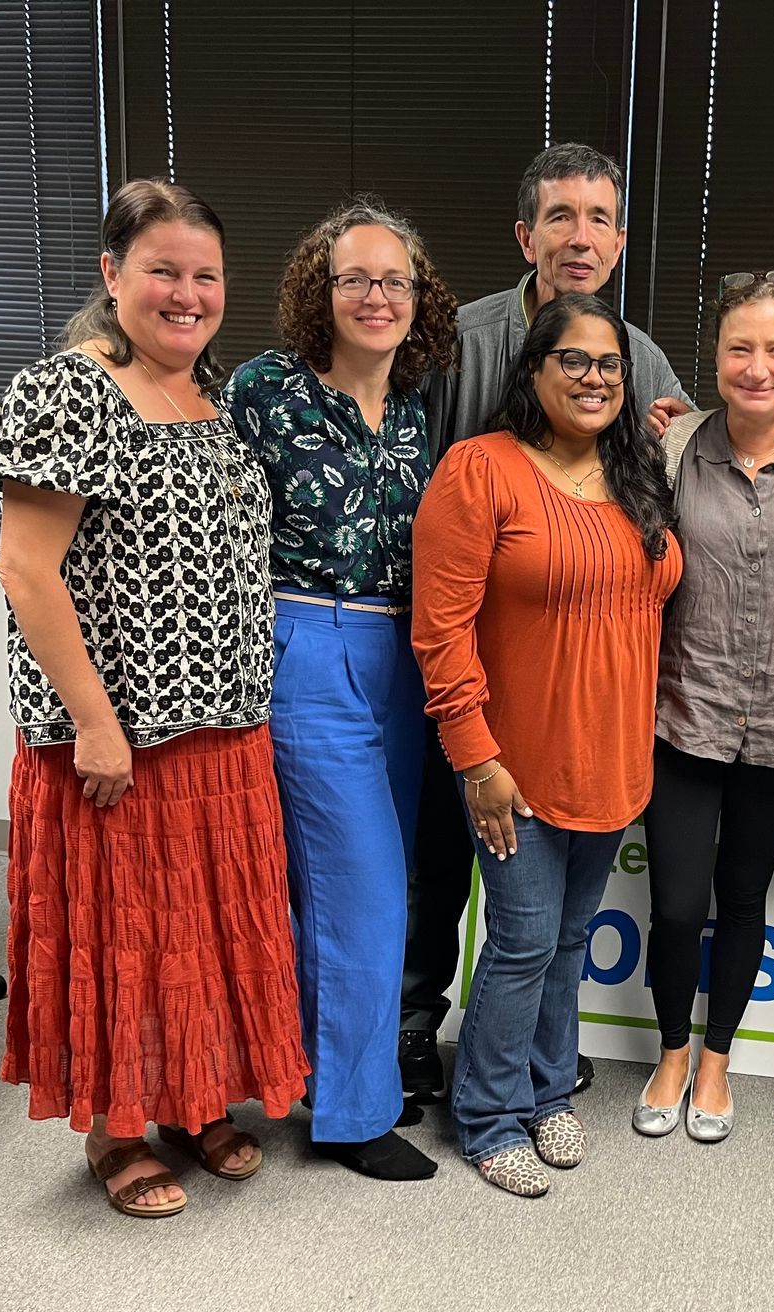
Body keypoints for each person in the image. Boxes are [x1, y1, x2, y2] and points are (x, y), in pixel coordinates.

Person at [0, 179, 308, 1219]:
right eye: (163, 271)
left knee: (193, 934)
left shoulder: (208, 398)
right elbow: (27, 570)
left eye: (204, 277)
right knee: (127, 930)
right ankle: (117, 1133)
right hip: (121, 739)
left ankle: (194, 1102)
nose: (187, 294)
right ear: (113, 276)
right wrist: (97, 722)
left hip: (219, 731)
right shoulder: (74, 390)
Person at [400, 141, 691, 1103]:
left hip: (571, 682)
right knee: (436, 866)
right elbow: (412, 467)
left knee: (549, 923)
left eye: (600, 217)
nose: (581, 236)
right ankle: (415, 1034)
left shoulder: (636, 351)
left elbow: (666, 477)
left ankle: (535, 1067)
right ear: (525, 234)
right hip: (460, 656)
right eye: (560, 216)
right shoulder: (455, 338)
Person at [223, 199, 459, 1182]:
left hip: (401, 653)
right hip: (303, 641)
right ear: (320, 293)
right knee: (359, 891)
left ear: (418, 299)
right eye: (353, 278)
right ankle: (356, 1113)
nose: (374, 296)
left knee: (355, 884)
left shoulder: (413, 406)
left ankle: (317, 1072)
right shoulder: (265, 389)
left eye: (392, 280)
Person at [635, 273, 774, 1144]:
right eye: (738, 348)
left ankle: (719, 1059)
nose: (756, 367)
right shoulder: (673, 445)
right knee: (679, 904)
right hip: (686, 711)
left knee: (745, 896)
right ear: (714, 356)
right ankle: (674, 1050)